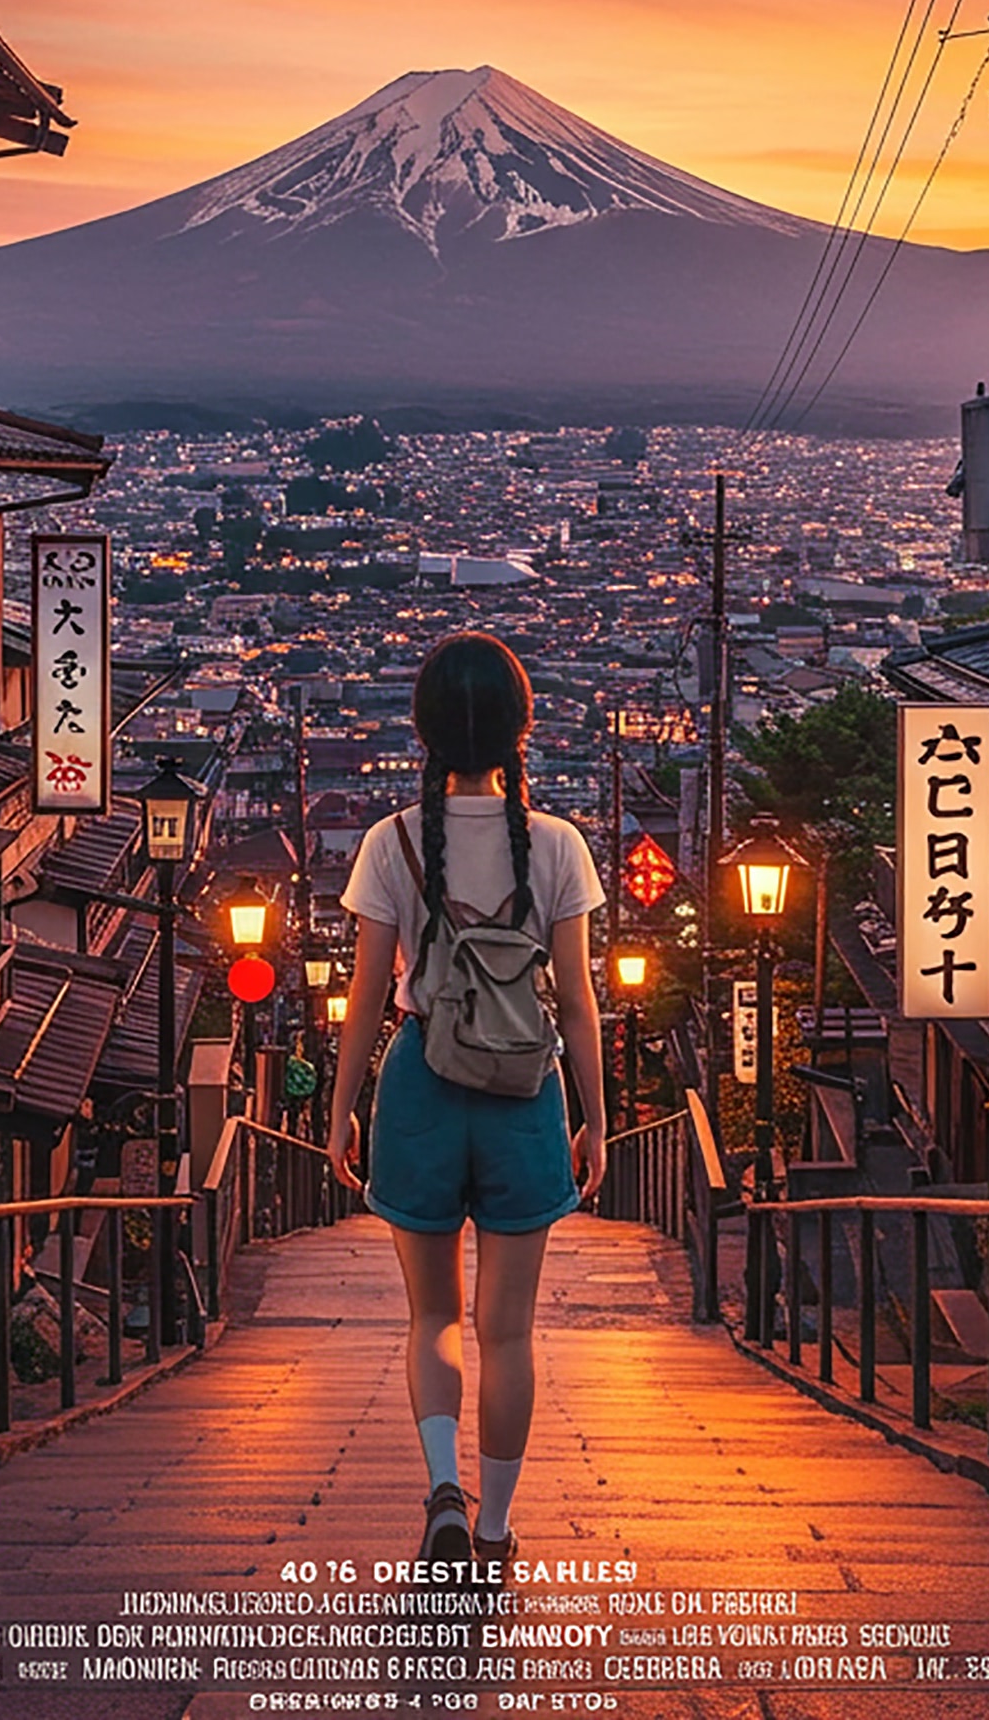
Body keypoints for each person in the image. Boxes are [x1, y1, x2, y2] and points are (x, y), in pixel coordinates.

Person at [328, 631, 607, 1566]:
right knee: (509, 1330)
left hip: (421, 1083)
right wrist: (596, 1117)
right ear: (522, 729)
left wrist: (340, 1113)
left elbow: (367, 997)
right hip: (526, 1088)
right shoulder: (558, 846)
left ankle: (444, 1484)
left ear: (425, 731)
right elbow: (577, 1002)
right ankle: (494, 1528)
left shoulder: (393, 842)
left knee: (431, 1317)